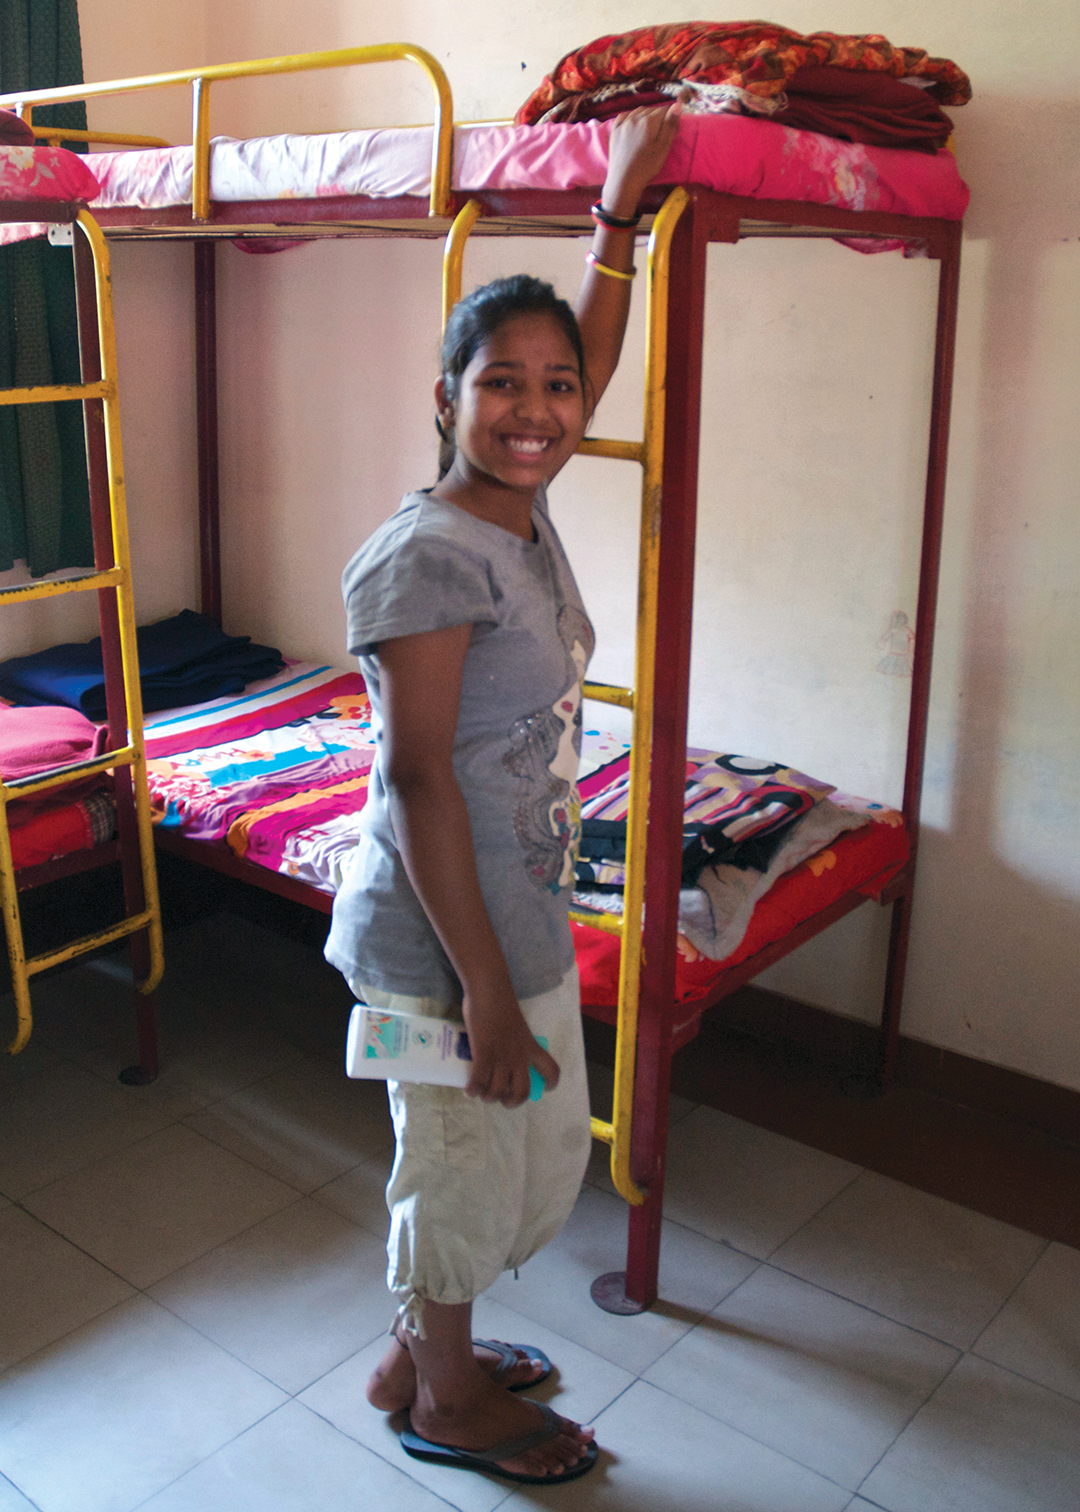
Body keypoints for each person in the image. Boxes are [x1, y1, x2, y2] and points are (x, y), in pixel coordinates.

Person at [324, 103, 681, 1485]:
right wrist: (475, 981)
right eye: (501, 385)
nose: (536, 409)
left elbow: (585, 353)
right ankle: (446, 1402)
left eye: (556, 387)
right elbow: (414, 780)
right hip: (439, 940)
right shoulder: (425, 557)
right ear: (444, 399)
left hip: (511, 913)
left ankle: (422, 1347)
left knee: (526, 1158)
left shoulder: (517, 512)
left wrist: (616, 216)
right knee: (466, 1166)